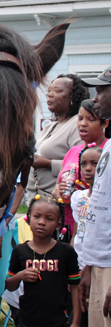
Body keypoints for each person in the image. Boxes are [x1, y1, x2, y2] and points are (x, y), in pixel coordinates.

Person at [6, 194, 81, 327]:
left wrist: (75, 322)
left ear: (58, 224)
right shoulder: (20, 251)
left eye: (49, 219)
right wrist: (20, 275)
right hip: (28, 323)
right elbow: (9, 286)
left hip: (57, 325)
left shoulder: (66, 252)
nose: (41, 222)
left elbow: (75, 287)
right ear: (28, 218)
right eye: (37, 216)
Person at [76, 66, 111, 327]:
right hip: (99, 264)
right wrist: (88, 264)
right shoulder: (108, 146)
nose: (95, 97)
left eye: (102, 90)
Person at [25, 74, 89, 199]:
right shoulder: (51, 126)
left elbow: (82, 165)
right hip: (37, 200)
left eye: (58, 91)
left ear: (73, 96)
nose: (50, 94)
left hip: (56, 201)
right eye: (49, 91)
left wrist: (48, 164)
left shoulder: (77, 125)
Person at [53, 99, 109, 235]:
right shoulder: (73, 151)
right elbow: (56, 189)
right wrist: (59, 193)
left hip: (94, 230)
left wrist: (78, 197)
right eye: (80, 118)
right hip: (66, 226)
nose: (83, 124)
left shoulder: (107, 151)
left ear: (105, 123)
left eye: (91, 119)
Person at [69, 144, 103, 327]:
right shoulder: (77, 197)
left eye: (95, 164)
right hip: (79, 262)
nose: (88, 169)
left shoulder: (104, 199)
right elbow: (77, 229)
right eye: (84, 164)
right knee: (78, 310)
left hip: (98, 263)